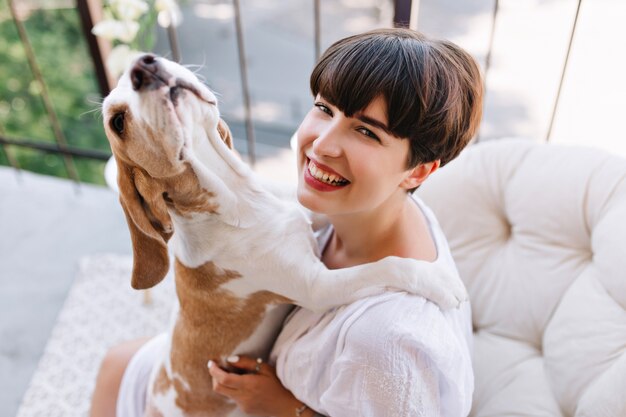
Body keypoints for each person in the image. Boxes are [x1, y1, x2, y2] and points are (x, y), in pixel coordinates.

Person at [90, 27, 483, 417]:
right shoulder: (378, 213)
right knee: (115, 362)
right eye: (324, 108)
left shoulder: (385, 342)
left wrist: (285, 408)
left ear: (417, 172)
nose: (322, 145)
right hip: (203, 378)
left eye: (366, 131)